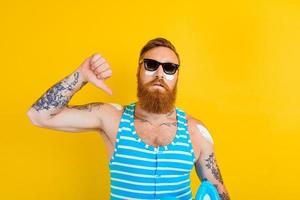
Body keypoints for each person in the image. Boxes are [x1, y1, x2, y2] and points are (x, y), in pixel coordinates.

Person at [27, 38, 230, 200]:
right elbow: (39, 115)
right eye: (151, 65)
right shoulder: (111, 118)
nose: (160, 74)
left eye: (169, 68)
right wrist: (81, 76)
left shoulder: (195, 131)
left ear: (177, 77)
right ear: (138, 71)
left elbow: (218, 193)